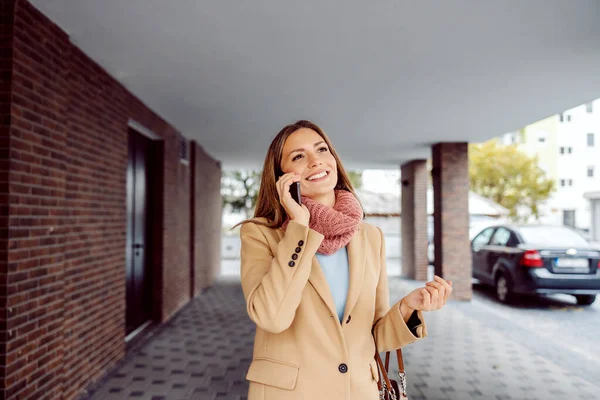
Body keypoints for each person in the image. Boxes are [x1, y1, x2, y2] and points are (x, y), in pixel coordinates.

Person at [237, 120, 452, 400]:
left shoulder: (370, 237)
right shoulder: (261, 234)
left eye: (322, 149)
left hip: (358, 391)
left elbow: (374, 336)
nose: (315, 161)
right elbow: (271, 318)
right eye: (299, 156)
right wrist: (299, 228)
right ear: (281, 176)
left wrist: (408, 307)